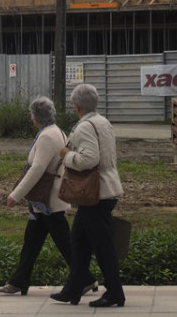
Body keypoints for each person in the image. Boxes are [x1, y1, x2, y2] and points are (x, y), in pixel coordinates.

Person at [50, 83, 125, 308]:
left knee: (102, 246)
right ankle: (73, 289)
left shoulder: (84, 127)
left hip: (96, 194)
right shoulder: (103, 122)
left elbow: (89, 159)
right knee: (79, 241)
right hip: (104, 190)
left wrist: (67, 156)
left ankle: (115, 293)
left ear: (76, 106)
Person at [0, 96, 74, 296]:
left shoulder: (47, 136)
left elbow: (37, 168)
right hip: (45, 201)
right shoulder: (56, 131)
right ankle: (19, 281)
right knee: (32, 241)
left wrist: (16, 194)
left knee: (64, 243)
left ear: (35, 118)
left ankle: (85, 278)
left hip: (48, 200)